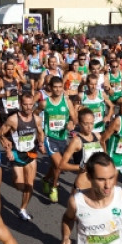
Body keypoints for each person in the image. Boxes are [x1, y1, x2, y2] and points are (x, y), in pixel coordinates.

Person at [0, 93, 46, 221]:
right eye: (25, 104)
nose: (28, 107)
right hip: (17, 154)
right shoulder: (13, 119)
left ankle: (23, 209)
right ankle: (15, 179)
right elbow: (0, 134)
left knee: (30, 185)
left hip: (31, 153)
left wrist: (41, 144)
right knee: (19, 185)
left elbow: (41, 133)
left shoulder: (37, 119)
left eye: (31, 104)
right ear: (20, 104)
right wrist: (7, 148)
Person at [39, 76, 77, 204]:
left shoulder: (67, 102)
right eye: (55, 87)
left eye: (60, 87)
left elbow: (74, 117)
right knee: (59, 165)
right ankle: (54, 187)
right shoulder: (45, 103)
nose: (58, 90)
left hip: (63, 138)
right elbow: (34, 116)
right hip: (50, 138)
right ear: (50, 88)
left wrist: (71, 123)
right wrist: (40, 133)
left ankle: (45, 180)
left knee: (55, 166)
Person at [59, 108, 104, 193]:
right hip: (83, 186)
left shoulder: (98, 136)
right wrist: (82, 167)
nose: (89, 127)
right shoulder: (76, 141)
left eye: (91, 123)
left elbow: (105, 157)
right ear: (79, 124)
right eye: (86, 124)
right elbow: (62, 165)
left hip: (98, 185)